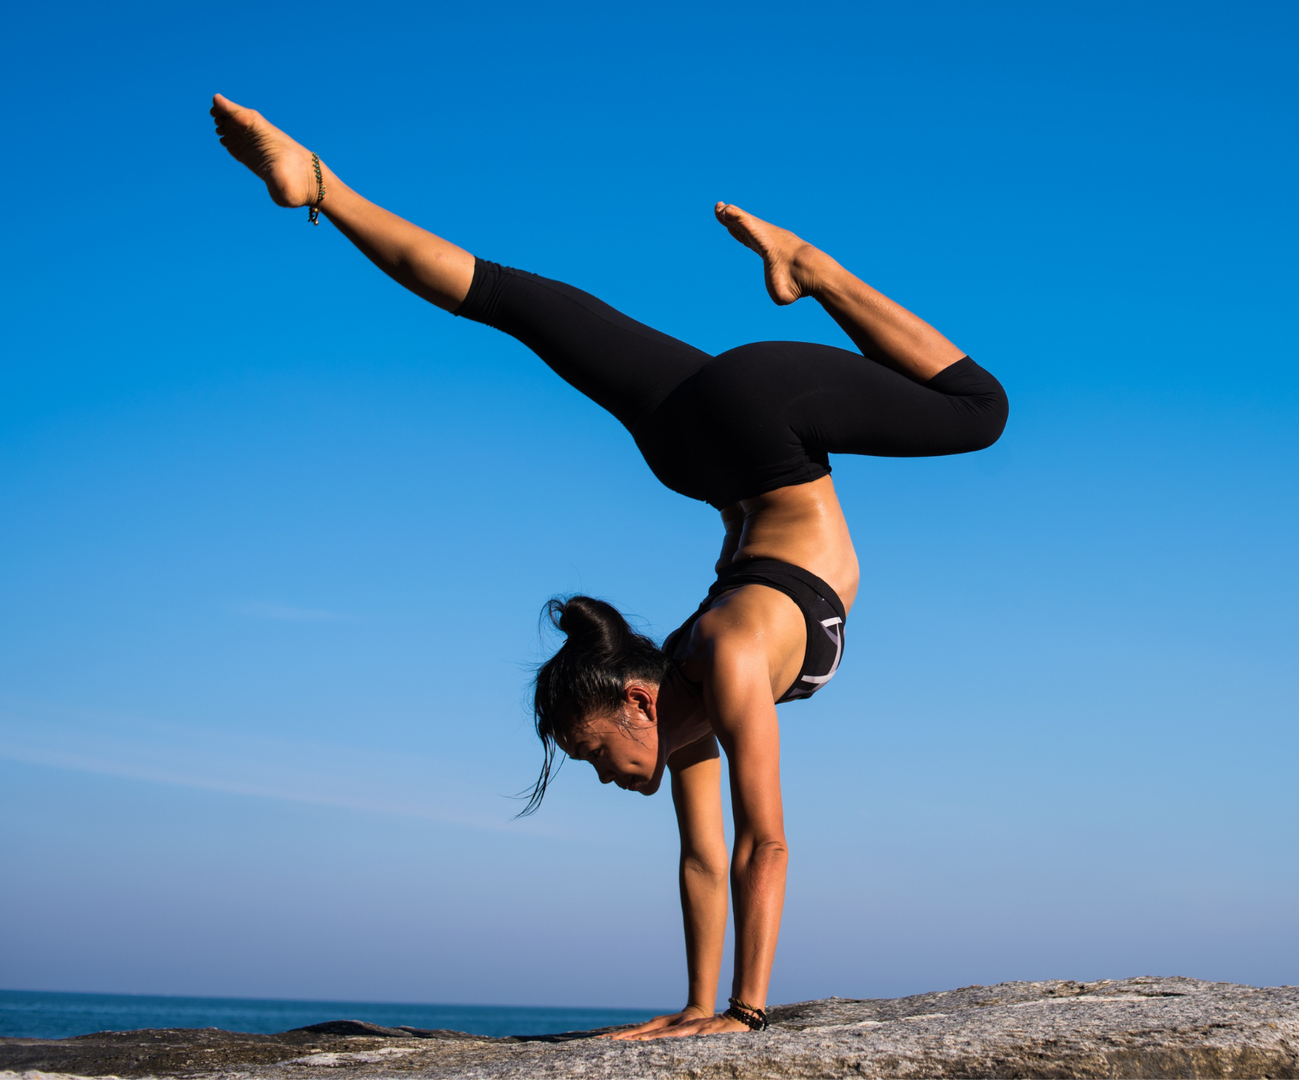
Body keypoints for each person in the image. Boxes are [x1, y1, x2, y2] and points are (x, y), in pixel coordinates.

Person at [209, 94, 1008, 1039]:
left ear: (636, 700)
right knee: (507, 300)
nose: (601, 777)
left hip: (765, 425)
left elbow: (768, 841)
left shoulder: (727, 658)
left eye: (590, 752)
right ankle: (321, 188)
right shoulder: (689, 697)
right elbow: (706, 860)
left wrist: (745, 1016)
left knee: (977, 410)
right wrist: (694, 1010)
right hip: (696, 445)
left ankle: (811, 267)